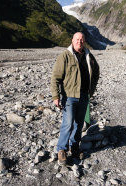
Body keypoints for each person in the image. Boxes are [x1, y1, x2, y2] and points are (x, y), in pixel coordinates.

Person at [51, 32, 100, 165]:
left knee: (78, 124)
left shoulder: (89, 56)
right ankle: (62, 149)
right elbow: (55, 77)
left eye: (82, 39)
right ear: (72, 40)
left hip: (84, 95)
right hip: (69, 96)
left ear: (85, 41)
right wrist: (56, 96)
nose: (80, 41)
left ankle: (75, 147)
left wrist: (91, 90)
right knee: (67, 124)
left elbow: (96, 73)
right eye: (77, 39)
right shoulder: (65, 56)